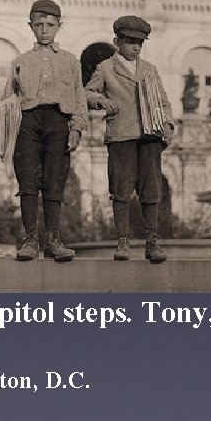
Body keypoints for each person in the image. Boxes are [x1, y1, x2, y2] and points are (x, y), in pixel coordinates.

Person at [84, 15, 174, 263]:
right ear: (117, 41)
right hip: (121, 135)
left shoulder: (149, 69)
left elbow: (164, 102)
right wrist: (101, 100)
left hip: (149, 137)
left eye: (140, 43)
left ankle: (152, 241)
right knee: (121, 190)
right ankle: (123, 241)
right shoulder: (105, 68)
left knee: (151, 189)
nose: (135, 47)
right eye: (130, 41)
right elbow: (88, 93)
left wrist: (168, 124)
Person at [4, 0, 88, 262]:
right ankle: (30, 240)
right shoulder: (20, 62)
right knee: (27, 181)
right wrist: (5, 135)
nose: (44, 29)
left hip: (58, 122)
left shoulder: (70, 61)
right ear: (30, 26)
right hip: (27, 123)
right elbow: (8, 100)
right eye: (38, 24)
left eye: (50, 25)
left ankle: (53, 240)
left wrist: (75, 129)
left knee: (54, 181)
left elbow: (79, 98)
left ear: (59, 26)